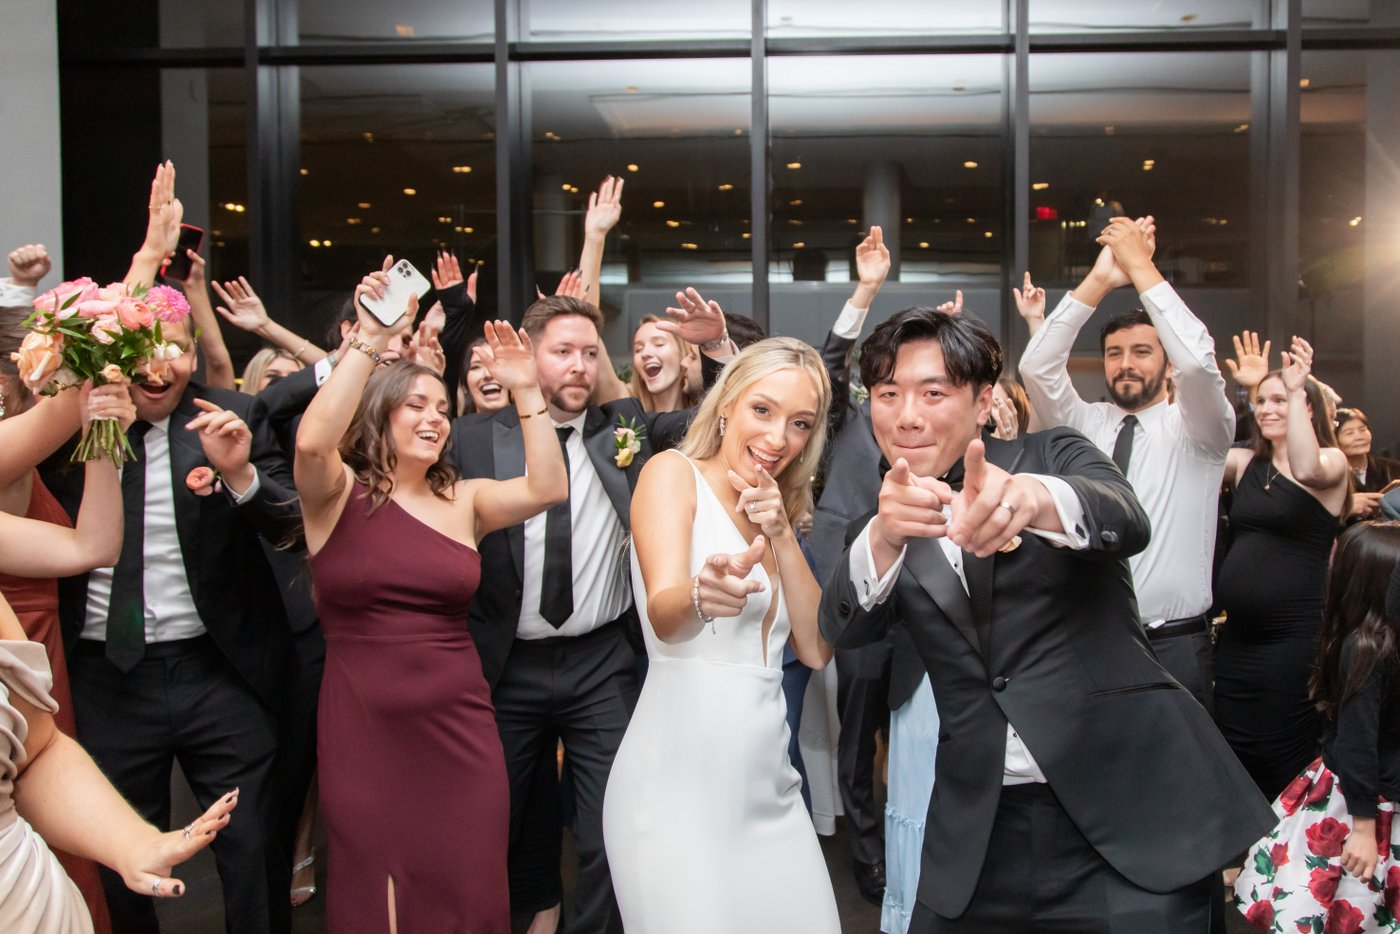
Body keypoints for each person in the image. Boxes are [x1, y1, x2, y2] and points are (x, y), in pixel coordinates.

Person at [818, 305, 1274, 932]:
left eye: (933, 392)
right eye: (888, 394)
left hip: (1127, 814)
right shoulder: (890, 512)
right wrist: (882, 538)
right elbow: (843, 628)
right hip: (980, 834)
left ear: (983, 402)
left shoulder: (1052, 450)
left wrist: (1033, 497)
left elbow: (1123, 516)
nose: (907, 415)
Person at [294, 257, 566, 933]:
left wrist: (529, 389)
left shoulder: (464, 499)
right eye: (415, 405)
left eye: (443, 409)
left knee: (469, 881)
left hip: (461, 729)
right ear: (378, 414)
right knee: (377, 880)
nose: (435, 419)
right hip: (365, 732)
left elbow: (546, 489)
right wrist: (368, 337)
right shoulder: (333, 497)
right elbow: (309, 440)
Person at [449, 292, 729, 932]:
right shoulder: (469, 439)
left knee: (613, 826)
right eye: (562, 352)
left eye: (589, 352)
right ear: (526, 356)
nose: (579, 365)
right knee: (508, 819)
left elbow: (716, 420)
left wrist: (714, 351)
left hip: (602, 662)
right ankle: (532, 912)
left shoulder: (624, 429)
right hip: (503, 663)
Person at [48, 311, 301, 934]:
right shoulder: (71, 425)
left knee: (251, 846)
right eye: (146, 351)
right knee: (119, 853)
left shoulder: (230, 413)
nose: (160, 368)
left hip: (218, 669)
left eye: (178, 351)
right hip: (106, 675)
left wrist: (239, 473)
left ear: (194, 356)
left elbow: (289, 526)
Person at [603, 337, 839, 933]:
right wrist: (700, 595)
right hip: (677, 792)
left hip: (772, 796)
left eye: (800, 423)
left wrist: (782, 531)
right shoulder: (670, 473)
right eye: (764, 410)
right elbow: (663, 612)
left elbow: (813, 648)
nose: (779, 437)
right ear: (727, 401)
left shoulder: (775, 510)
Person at [1019, 216, 1234, 711]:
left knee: (1181, 782)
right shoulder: (1083, 424)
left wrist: (1141, 267)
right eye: (1114, 353)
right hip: (1087, 638)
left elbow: (1201, 366)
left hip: (1174, 646)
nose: (1126, 363)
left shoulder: (1199, 431)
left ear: (1165, 362)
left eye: (1142, 351)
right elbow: (1035, 366)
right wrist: (1099, 281)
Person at [1232, 521, 1400, 931]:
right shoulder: (1365, 649)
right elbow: (1357, 742)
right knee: (1343, 905)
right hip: (1361, 803)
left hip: (1386, 796)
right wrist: (1362, 828)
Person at [1216, 338, 1351, 800]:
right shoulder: (1245, 462)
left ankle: (1291, 861)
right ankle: (1247, 862)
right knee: (1234, 748)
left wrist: (1295, 388)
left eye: (1281, 401)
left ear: (1309, 410)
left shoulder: (1331, 465)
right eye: (1262, 401)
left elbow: (1307, 465)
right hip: (1237, 642)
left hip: (1293, 640)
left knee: (1284, 753)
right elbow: (1198, 452)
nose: (1267, 409)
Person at [1334, 407, 1400, 522]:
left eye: (1363, 429)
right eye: (1349, 433)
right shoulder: (1331, 475)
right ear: (1334, 439)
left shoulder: (1393, 468)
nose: (1359, 437)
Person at [630, 315, 699, 412]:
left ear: (682, 353)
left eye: (659, 344)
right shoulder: (628, 415)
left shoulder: (704, 419)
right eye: (638, 349)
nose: (645, 354)